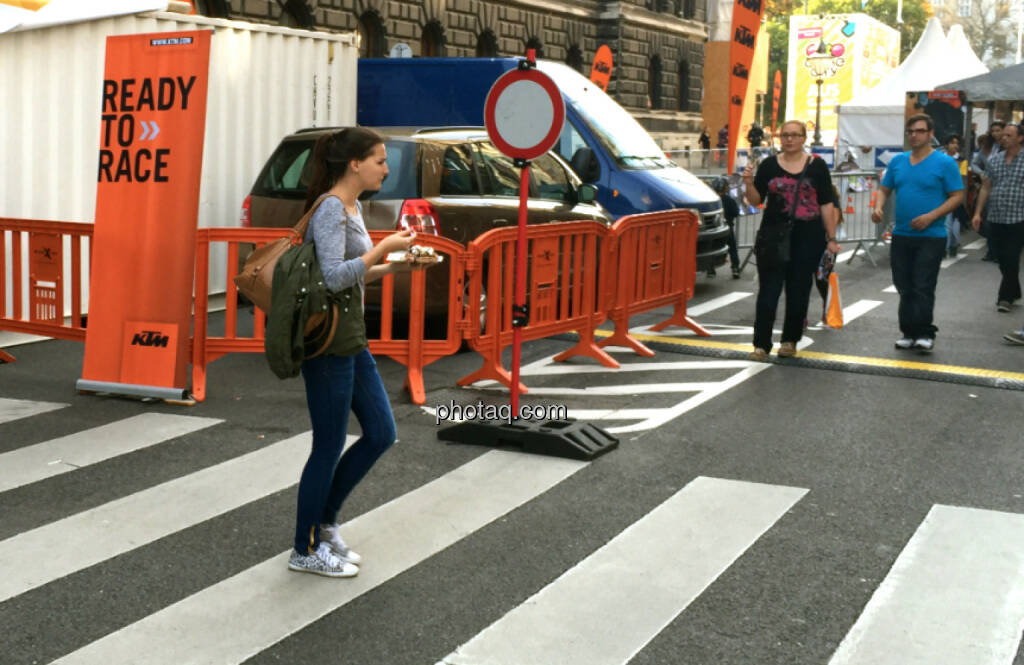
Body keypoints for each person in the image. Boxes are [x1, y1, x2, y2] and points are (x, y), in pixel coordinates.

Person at [288, 127, 430, 578]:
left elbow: (354, 275)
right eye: (380, 161)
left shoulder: (353, 207)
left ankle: (325, 525)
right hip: (327, 342)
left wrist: (397, 264)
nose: (386, 169)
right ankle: (304, 548)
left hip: (350, 336)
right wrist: (384, 248)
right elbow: (331, 278)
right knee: (327, 446)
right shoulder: (332, 209)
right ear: (355, 164)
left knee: (381, 432)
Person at [742, 119, 840, 360]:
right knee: (768, 291)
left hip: (808, 236)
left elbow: (826, 203)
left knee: (799, 290)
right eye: (785, 135)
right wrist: (747, 183)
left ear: (804, 138)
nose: (789, 139)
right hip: (774, 235)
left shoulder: (817, 166)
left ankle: (789, 340)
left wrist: (832, 237)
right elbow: (756, 200)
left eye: (795, 135)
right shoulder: (768, 166)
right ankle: (761, 345)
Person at [871, 114, 964, 353]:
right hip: (902, 233)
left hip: (931, 235)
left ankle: (924, 332)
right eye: (910, 131)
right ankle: (908, 332)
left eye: (920, 131)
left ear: (930, 134)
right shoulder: (898, 161)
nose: (914, 135)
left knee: (923, 284)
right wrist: (878, 206)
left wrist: (931, 216)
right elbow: (884, 189)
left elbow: (957, 196)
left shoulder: (944, 163)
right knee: (904, 285)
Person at [971, 122, 1024, 313]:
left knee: (1011, 255)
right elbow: (986, 186)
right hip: (996, 215)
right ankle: (1014, 289)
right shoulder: (995, 160)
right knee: (1002, 257)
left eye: (1009, 135)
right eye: (1004, 135)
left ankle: (1005, 297)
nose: (1004, 138)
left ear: (1020, 138)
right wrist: (978, 213)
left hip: (1019, 217)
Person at [941, 135, 969, 258]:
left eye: (957, 143)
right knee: (946, 223)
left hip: (955, 194)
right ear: (947, 144)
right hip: (941, 193)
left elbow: (961, 177)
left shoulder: (962, 160)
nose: (955, 145)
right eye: (952, 142)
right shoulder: (940, 158)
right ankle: (944, 249)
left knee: (954, 224)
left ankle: (952, 245)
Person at [711, 176, 742, 278]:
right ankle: (735, 268)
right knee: (732, 248)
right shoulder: (729, 200)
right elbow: (736, 212)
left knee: (712, 248)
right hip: (727, 227)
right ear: (725, 188)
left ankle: (710, 269)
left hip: (714, 229)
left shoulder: (712, 200)